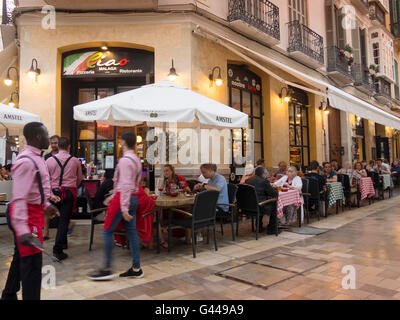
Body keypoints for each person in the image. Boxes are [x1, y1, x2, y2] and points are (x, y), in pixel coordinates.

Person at [1, 122, 60, 300]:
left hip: (32, 214)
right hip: (25, 218)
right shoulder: (26, 161)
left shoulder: (37, 158)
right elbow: (19, 198)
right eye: (46, 134)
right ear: (36, 136)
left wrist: (46, 205)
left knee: (21, 258)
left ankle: (8, 295)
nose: (48, 138)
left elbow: (35, 190)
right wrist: (24, 231)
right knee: (32, 269)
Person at [89, 132, 143, 280]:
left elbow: (125, 185)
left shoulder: (125, 160)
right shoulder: (136, 160)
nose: (119, 143)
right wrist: (113, 196)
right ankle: (136, 268)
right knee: (132, 232)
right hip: (132, 198)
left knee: (107, 231)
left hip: (123, 199)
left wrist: (123, 207)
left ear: (123, 142)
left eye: (120, 140)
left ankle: (106, 269)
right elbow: (131, 184)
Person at [46, 137, 83, 261]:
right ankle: (57, 250)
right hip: (69, 192)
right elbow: (79, 179)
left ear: (58, 146)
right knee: (64, 221)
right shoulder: (75, 161)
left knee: (60, 220)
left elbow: (46, 180)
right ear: (68, 146)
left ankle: (63, 243)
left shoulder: (49, 161)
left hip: (54, 193)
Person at [193, 164, 229, 242]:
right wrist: (201, 188)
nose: (202, 174)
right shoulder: (210, 180)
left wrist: (204, 186)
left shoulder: (220, 178)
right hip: (213, 204)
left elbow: (217, 189)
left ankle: (198, 234)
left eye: (204, 172)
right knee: (194, 207)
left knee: (198, 209)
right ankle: (192, 232)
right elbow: (208, 191)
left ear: (211, 171)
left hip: (221, 206)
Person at [245, 166, 279, 235]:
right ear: (263, 174)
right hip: (259, 206)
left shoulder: (248, 180)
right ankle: (271, 229)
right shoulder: (264, 181)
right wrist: (275, 188)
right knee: (274, 203)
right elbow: (273, 193)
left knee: (259, 200)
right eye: (266, 174)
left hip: (247, 207)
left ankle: (259, 226)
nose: (266, 175)